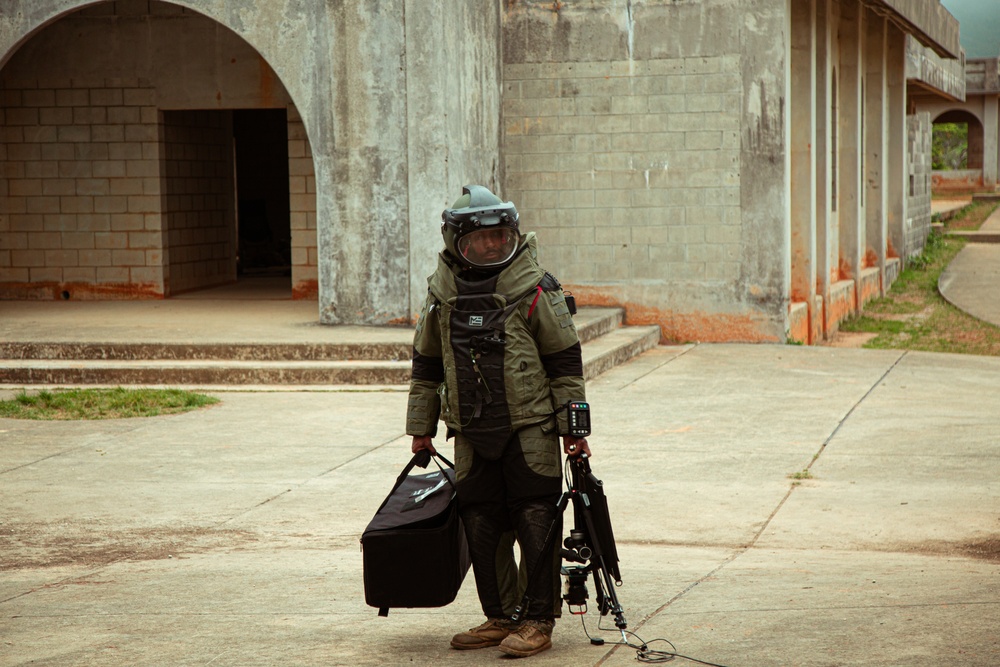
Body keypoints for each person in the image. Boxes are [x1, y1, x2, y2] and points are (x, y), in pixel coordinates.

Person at [406, 184, 590, 658]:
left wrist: (574, 430)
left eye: (500, 236)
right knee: (480, 523)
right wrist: (420, 427)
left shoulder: (535, 287)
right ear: (456, 242)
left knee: (535, 518)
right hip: (468, 430)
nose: (492, 245)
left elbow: (565, 360)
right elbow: (426, 362)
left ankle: (536, 621)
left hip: (531, 427)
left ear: (511, 234)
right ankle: (501, 615)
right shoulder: (440, 293)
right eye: (481, 239)